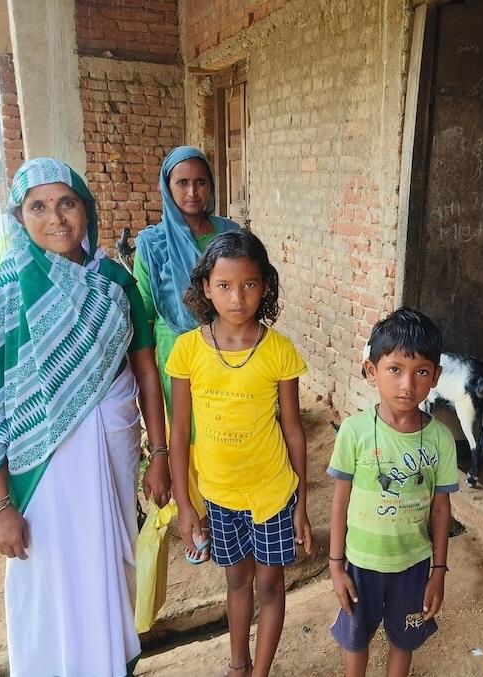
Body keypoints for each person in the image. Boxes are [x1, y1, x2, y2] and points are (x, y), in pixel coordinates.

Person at [0, 159, 170, 677]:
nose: (55, 218)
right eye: (38, 206)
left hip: (115, 450)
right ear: (19, 216)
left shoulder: (114, 283)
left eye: (67, 203)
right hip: (40, 472)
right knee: (50, 579)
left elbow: (144, 372)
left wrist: (160, 454)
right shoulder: (4, 293)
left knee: (109, 566)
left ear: (86, 210)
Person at [166, 230, 313, 677]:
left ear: (265, 286)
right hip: (219, 494)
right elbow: (179, 434)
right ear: (206, 288)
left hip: (272, 491)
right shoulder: (187, 350)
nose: (237, 297)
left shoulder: (279, 351)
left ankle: (260, 672)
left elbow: (293, 430)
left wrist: (302, 503)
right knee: (236, 580)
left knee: (270, 583)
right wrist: (185, 503)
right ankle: (237, 665)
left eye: (249, 284)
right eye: (225, 285)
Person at [327, 307, 459, 677]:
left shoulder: (440, 440)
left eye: (420, 372)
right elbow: (339, 503)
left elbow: (440, 510)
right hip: (360, 562)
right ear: (372, 371)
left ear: (435, 377)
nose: (407, 384)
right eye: (395, 370)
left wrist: (438, 572)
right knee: (356, 638)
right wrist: (336, 566)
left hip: (413, 564)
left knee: (404, 639)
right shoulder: (353, 432)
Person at [134, 145, 241, 563]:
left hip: (227, 344)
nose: (192, 191)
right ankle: (192, 516)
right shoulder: (153, 243)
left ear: (212, 185)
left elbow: (246, 282)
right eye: (182, 182)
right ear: (167, 186)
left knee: (225, 425)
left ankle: (226, 512)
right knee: (185, 432)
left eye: (200, 182)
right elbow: (143, 307)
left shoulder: (230, 233)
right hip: (176, 348)